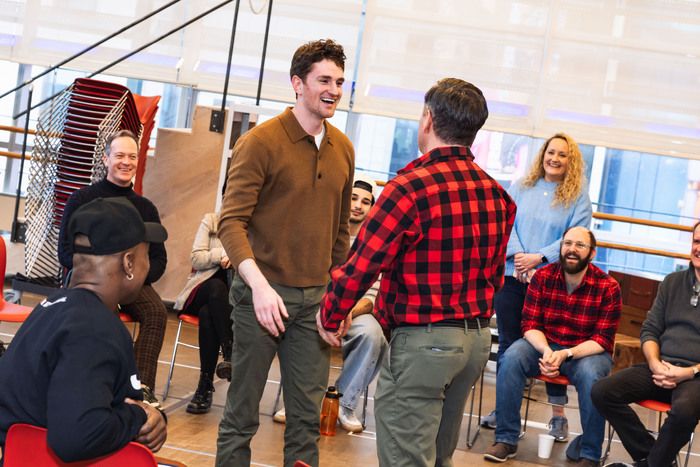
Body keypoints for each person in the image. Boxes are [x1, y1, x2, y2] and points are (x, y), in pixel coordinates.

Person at [319, 78, 516, 467]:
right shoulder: (498, 196)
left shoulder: (408, 188)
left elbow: (363, 263)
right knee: (439, 457)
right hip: (475, 340)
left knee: (406, 459)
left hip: (426, 344)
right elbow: (494, 277)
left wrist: (331, 313)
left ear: (427, 119)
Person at [215, 38, 354, 467]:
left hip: (315, 305)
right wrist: (258, 287)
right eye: (324, 80)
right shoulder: (260, 142)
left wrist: (340, 299)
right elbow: (230, 223)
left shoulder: (344, 149)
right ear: (297, 83)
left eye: (340, 82)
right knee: (241, 416)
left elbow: (340, 235)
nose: (333, 90)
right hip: (260, 298)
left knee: (306, 422)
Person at [0, 197, 167, 462]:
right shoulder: (96, 330)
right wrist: (138, 416)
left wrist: (149, 414)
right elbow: (75, 438)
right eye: (145, 254)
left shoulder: (51, 307)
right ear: (129, 263)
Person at [482, 132, 592, 441]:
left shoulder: (578, 197)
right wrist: (520, 258)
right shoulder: (521, 186)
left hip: (551, 283)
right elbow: (506, 223)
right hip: (512, 275)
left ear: (571, 161)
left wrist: (538, 258)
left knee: (554, 344)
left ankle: (558, 416)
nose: (554, 158)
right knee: (509, 344)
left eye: (562, 154)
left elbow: (576, 237)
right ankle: (505, 411)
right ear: (543, 154)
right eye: (550, 152)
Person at [484, 227, 621, 467]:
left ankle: (590, 455)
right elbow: (529, 324)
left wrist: (566, 354)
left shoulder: (608, 287)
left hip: (586, 352)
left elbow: (603, 339)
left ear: (592, 253)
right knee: (512, 357)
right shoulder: (543, 277)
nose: (572, 249)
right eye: (567, 243)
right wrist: (547, 351)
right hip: (545, 344)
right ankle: (506, 439)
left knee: (592, 375)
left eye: (580, 245)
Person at [57, 129, 168, 406]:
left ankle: (140, 388)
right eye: (119, 155)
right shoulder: (81, 200)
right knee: (99, 318)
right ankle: (96, 385)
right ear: (106, 159)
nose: (126, 162)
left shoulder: (146, 208)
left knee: (156, 312)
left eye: (132, 156)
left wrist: (132, 277)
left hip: (132, 284)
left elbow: (159, 259)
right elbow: (65, 252)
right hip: (91, 284)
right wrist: (99, 275)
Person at [592, 222, 700, 467]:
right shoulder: (672, 282)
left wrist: (688, 372)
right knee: (602, 391)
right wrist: (654, 363)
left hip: (696, 377)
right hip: (661, 368)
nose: (698, 248)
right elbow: (650, 330)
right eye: (696, 241)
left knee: (684, 412)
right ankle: (656, 460)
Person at [174, 211, 234, 414]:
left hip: (233, 301)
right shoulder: (212, 220)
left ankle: (204, 386)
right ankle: (229, 353)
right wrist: (221, 255)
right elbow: (196, 258)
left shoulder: (255, 226)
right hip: (202, 289)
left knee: (208, 314)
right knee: (216, 288)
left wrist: (237, 257)